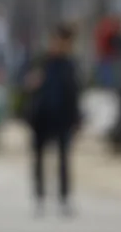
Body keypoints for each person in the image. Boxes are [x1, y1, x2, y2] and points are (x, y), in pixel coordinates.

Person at [24, 23, 81, 217]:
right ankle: (39, 196)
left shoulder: (69, 65)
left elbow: (74, 94)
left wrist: (76, 119)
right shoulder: (42, 62)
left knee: (63, 158)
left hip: (63, 119)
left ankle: (64, 198)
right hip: (41, 117)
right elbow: (26, 83)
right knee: (39, 158)